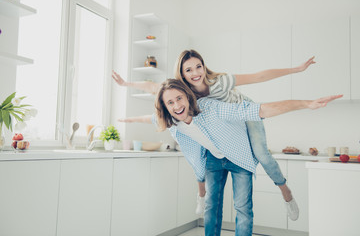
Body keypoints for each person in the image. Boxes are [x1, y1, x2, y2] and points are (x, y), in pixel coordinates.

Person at [120, 78, 342, 236]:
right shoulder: (171, 120)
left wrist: (306, 104)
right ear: (165, 107)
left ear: (187, 96)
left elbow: (260, 110)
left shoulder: (212, 108)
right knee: (211, 206)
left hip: (239, 157)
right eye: (170, 102)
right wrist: (126, 120)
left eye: (179, 98)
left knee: (242, 207)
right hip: (214, 159)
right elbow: (147, 118)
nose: (177, 105)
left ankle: (287, 192)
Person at [112, 49, 316, 219]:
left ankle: (285, 192)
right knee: (197, 155)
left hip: (245, 113)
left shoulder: (219, 82)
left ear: (204, 66)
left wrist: (296, 69)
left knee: (262, 154)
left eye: (198, 66)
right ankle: (201, 195)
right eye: (188, 69)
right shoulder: (182, 91)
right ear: (182, 74)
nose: (195, 73)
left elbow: (258, 76)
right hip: (223, 126)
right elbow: (152, 87)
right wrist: (125, 84)